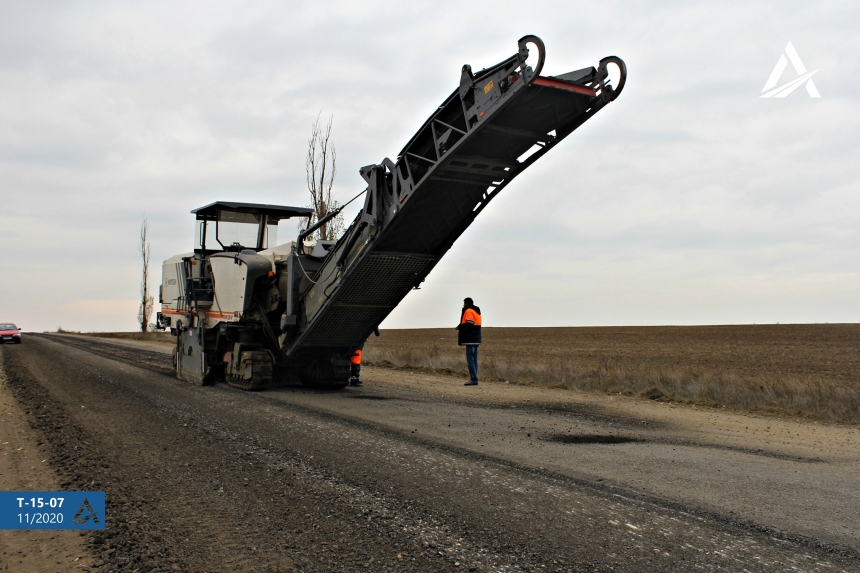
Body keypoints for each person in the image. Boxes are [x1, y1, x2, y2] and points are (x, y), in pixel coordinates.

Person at [456, 297, 482, 386]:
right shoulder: (477, 312)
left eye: (464, 303)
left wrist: (460, 327)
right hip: (476, 339)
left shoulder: (469, 311)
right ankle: (474, 377)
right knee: (474, 360)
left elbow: (469, 324)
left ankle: (473, 379)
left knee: (470, 360)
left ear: (467, 303)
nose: (463, 305)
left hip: (470, 339)